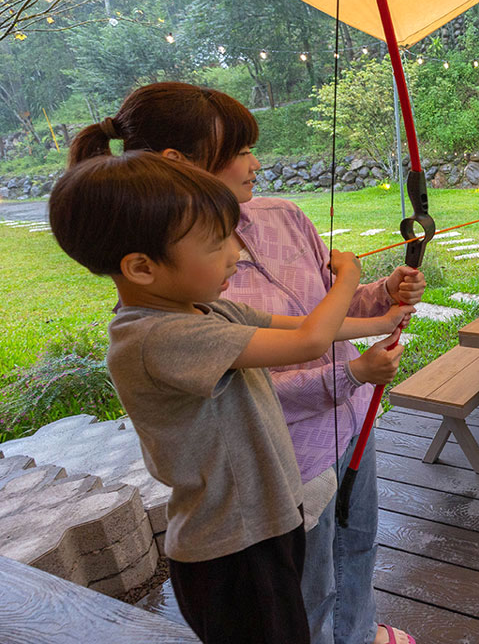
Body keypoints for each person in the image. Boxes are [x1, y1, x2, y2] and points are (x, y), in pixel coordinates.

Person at [70, 83, 423, 644]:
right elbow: (307, 341)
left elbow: (316, 319)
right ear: (177, 165)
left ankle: (356, 635)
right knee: (304, 594)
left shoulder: (239, 260)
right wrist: (352, 364)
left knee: (355, 542)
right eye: (238, 150)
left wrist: (383, 302)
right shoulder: (172, 324)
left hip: (326, 444)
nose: (234, 253)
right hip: (250, 519)